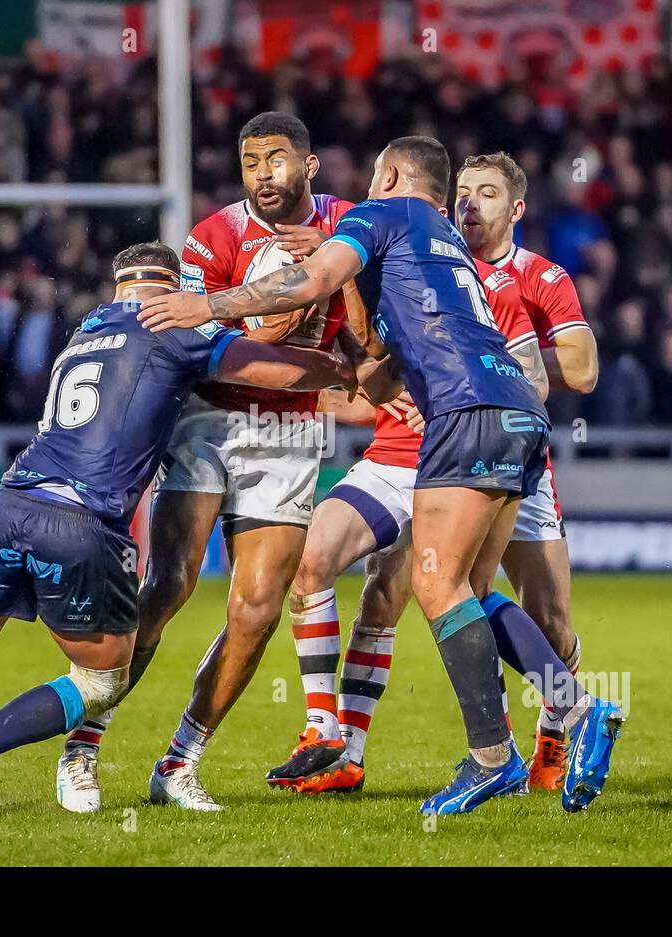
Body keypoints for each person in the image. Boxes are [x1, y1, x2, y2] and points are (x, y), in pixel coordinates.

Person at [0, 241, 353, 815]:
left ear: (118, 286)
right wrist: (339, 366)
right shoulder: (178, 329)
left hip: (11, 500)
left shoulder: (86, 331)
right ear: (174, 289)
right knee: (101, 681)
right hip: (79, 520)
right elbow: (279, 374)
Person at [140, 136, 624, 816]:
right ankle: (566, 715)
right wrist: (360, 367)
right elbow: (384, 364)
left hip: (466, 412)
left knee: (432, 583)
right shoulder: (447, 246)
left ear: (391, 175)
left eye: (372, 177)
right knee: (466, 590)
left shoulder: (381, 213)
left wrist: (209, 307)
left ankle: (504, 750)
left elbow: (309, 282)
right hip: (515, 417)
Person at [55, 111, 359, 813]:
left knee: (256, 609)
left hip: (289, 436)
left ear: (308, 166)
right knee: (167, 586)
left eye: (277, 160)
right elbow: (197, 336)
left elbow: (372, 303)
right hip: (210, 418)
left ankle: (179, 762)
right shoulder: (213, 237)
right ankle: (83, 747)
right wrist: (316, 358)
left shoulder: (350, 228)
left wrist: (355, 345)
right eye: (251, 163)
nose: (263, 175)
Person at [264, 253, 546, 794]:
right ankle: (328, 734)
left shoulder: (495, 291)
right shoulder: (391, 286)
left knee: (444, 597)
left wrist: (438, 400)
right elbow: (369, 384)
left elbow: (532, 385)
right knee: (313, 561)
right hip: (390, 461)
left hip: (456, 463)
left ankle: (531, 728)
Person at [457, 152, 600, 789]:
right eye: (461, 192)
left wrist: (495, 355)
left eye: (486, 193)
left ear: (515, 209)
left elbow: (584, 368)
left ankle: (555, 727)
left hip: (522, 462)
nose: (469, 204)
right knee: (447, 592)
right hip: (446, 453)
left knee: (553, 623)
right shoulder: (434, 268)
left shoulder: (541, 277)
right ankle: (494, 752)